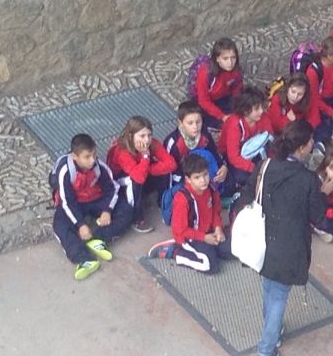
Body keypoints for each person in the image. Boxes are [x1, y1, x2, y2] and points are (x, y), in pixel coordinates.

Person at [243, 120, 333, 356]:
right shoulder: (308, 180)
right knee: (278, 296)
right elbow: (317, 217)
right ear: (303, 147)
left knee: (269, 287)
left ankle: (272, 330)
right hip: (290, 245)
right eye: (310, 141)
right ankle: (266, 349)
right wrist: (325, 192)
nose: (312, 144)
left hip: (263, 238)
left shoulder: (265, 165)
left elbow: (249, 193)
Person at [51, 134, 131, 280]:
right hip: (76, 204)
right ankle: (84, 259)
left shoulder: (99, 167)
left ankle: (98, 239)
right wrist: (80, 224)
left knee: (127, 210)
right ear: (75, 157)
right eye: (87, 157)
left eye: (94, 154)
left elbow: (113, 188)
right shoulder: (65, 172)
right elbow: (67, 201)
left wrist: (107, 210)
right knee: (59, 224)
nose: (92, 160)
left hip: (96, 200)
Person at [148, 154, 232, 274]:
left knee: (231, 250)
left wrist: (218, 228)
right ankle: (174, 251)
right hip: (189, 237)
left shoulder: (211, 189)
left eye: (205, 175)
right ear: (188, 179)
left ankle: (208, 250)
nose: (203, 180)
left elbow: (215, 210)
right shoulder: (183, 199)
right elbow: (180, 230)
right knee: (210, 266)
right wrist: (204, 238)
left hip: (208, 232)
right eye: (197, 177)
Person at [107, 115, 177, 233]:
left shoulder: (152, 143)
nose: (147, 140)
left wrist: (147, 168)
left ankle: (163, 202)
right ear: (131, 136)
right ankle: (137, 218)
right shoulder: (122, 151)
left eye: (149, 135)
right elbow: (138, 178)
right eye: (142, 136)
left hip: (142, 171)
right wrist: (145, 156)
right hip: (122, 182)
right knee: (134, 180)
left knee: (164, 171)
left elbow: (171, 164)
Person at [218, 86, 274, 195]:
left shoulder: (263, 118)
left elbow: (270, 139)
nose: (261, 111)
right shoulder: (235, 125)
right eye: (257, 109)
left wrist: (270, 162)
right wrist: (256, 169)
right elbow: (234, 157)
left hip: (254, 151)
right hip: (232, 156)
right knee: (243, 177)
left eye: (262, 107)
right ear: (245, 111)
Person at [163, 100, 227, 190]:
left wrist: (223, 166)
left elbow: (213, 152)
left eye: (198, 122)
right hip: (184, 178)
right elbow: (170, 173)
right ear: (181, 123)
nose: (195, 127)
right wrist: (190, 181)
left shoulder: (204, 134)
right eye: (190, 123)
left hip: (203, 173)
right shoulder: (174, 144)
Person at [191, 37, 244, 129]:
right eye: (225, 59)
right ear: (217, 59)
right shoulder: (206, 73)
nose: (230, 62)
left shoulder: (236, 71)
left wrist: (238, 104)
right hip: (204, 101)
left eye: (233, 58)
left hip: (223, 97)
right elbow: (203, 100)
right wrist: (222, 116)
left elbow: (237, 89)